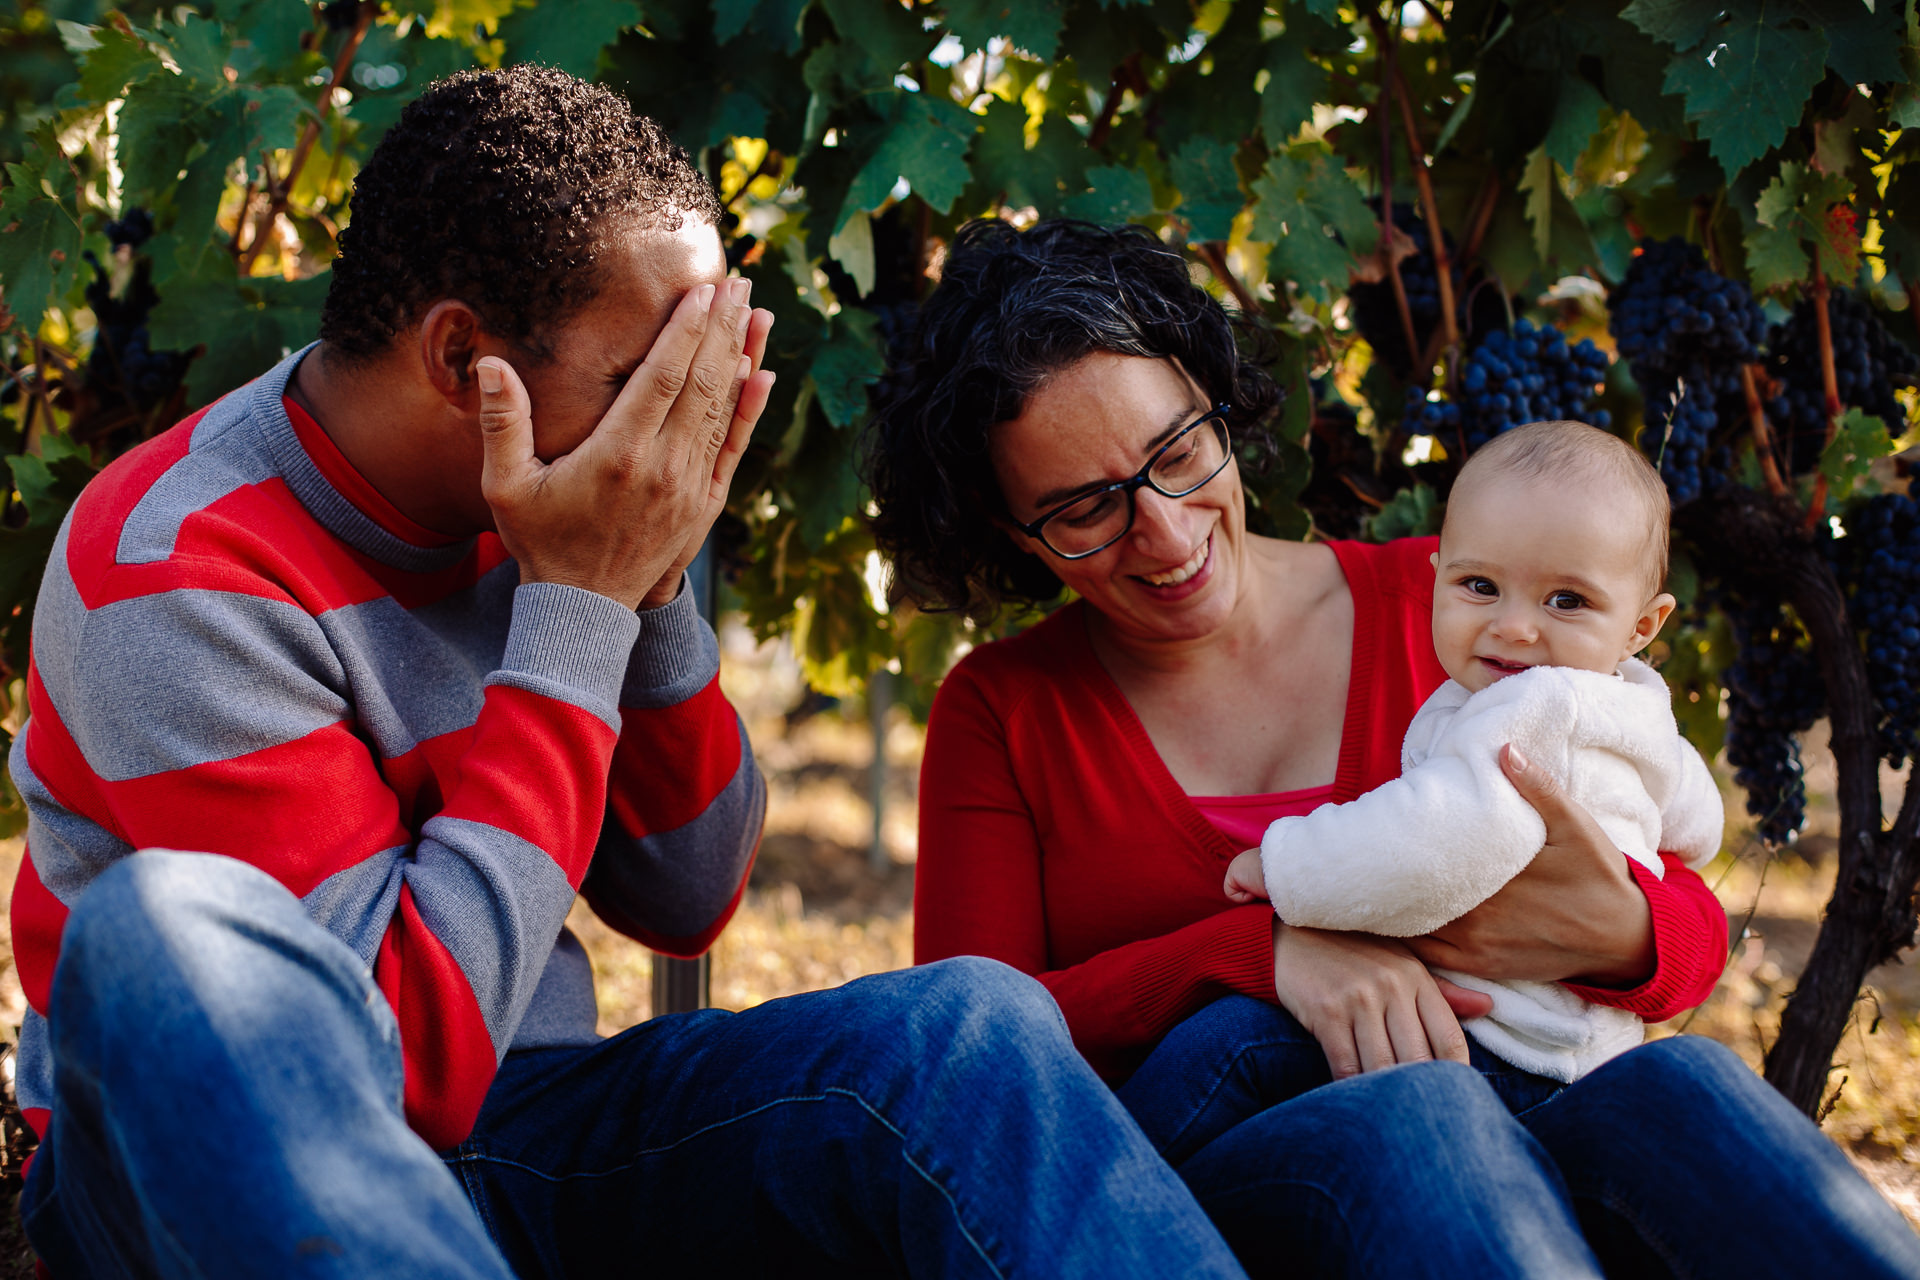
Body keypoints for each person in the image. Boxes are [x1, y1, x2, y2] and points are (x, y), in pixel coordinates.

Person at [8, 72, 1248, 1279]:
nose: (682, 419)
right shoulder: (177, 571)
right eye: (645, 378)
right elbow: (386, 1075)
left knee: (962, 1032)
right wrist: (575, 607)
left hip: (530, 1122)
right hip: (219, 1171)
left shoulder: (561, 503)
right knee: (157, 927)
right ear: (461, 362)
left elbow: (689, 889)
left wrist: (643, 595)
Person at [870, 217, 1920, 1277]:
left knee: (1682, 1088)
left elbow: (1672, 882)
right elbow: (971, 1052)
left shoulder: (1469, 613)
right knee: (1419, 1115)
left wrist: (1623, 933)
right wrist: (1260, 953)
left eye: (1178, 452)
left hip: (1518, 1102)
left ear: (1216, 400)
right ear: (1014, 533)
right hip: (1186, 1188)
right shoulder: (1002, 711)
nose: (1169, 532)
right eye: (1087, 509)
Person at [1223, 419, 1724, 1084]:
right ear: (1436, 578)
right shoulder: (1640, 708)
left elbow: (1437, 837)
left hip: (1497, 1038)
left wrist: (1287, 865)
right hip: (1592, 1039)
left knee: (1222, 1045)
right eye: (1480, 587)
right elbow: (1695, 823)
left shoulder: (1532, 708)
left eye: (1566, 601)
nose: (1513, 627)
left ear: (1641, 625)